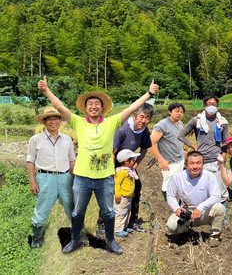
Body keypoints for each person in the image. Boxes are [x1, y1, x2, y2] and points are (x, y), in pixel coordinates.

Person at [37, 76, 159, 254]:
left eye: (97, 104)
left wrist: (148, 93)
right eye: (90, 104)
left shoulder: (112, 122)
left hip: (105, 178)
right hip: (82, 178)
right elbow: (60, 107)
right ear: (86, 108)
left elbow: (132, 108)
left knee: (109, 212)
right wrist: (46, 90)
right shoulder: (78, 122)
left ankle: (110, 240)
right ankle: (76, 239)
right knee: (78, 213)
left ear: (102, 108)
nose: (93, 106)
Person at [98, 103, 154, 236]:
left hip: (129, 163)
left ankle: (131, 222)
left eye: (147, 118)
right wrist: (113, 173)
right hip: (113, 162)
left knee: (136, 187)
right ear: (134, 116)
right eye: (141, 117)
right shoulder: (122, 129)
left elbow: (144, 149)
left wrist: (135, 165)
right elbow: (112, 152)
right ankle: (102, 224)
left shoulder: (144, 131)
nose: (144, 121)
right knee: (109, 191)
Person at [26, 107, 76, 248]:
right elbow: (30, 161)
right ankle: (36, 238)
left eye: (56, 118)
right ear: (44, 122)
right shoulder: (36, 139)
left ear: (60, 121)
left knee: (72, 207)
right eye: (49, 119)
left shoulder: (67, 140)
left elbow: (72, 161)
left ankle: (79, 234)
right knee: (42, 210)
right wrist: (32, 181)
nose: (53, 122)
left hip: (65, 177)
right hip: (45, 178)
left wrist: (74, 179)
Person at [177, 95, 230, 216]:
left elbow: (225, 141)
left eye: (214, 104)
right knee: (199, 189)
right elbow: (181, 135)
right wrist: (193, 146)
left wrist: (224, 154)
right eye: (209, 104)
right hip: (201, 161)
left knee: (221, 191)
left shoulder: (222, 122)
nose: (212, 106)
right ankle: (198, 216)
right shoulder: (197, 120)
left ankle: (223, 219)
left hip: (217, 161)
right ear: (204, 105)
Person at [165, 151, 226, 238]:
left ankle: (214, 236)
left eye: (198, 163)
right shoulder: (178, 177)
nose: (195, 166)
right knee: (172, 226)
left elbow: (216, 196)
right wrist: (176, 208)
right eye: (191, 163)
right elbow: (170, 196)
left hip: (203, 212)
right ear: (186, 164)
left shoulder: (210, 176)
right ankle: (186, 232)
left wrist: (200, 208)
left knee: (219, 208)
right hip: (186, 213)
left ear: (203, 164)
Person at [149, 102, 194, 201]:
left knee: (178, 182)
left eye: (181, 112)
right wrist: (161, 160)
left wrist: (184, 149)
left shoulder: (180, 123)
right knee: (168, 185)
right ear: (170, 111)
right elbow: (150, 143)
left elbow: (180, 138)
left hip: (179, 158)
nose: (179, 114)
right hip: (169, 161)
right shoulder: (162, 125)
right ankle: (170, 205)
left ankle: (178, 202)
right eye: (177, 111)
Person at [113, 149, 140, 237]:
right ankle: (118, 229)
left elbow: (130, 184)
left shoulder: (129, 171)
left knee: (126, 212)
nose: (134, 161)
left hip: (128, 196)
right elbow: (117, 183)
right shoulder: (122, 172)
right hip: (122, 196)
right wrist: (117, 195)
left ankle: (124, 227)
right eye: (132, 159)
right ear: (126, 161)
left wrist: (132, 193)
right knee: (120, 212)